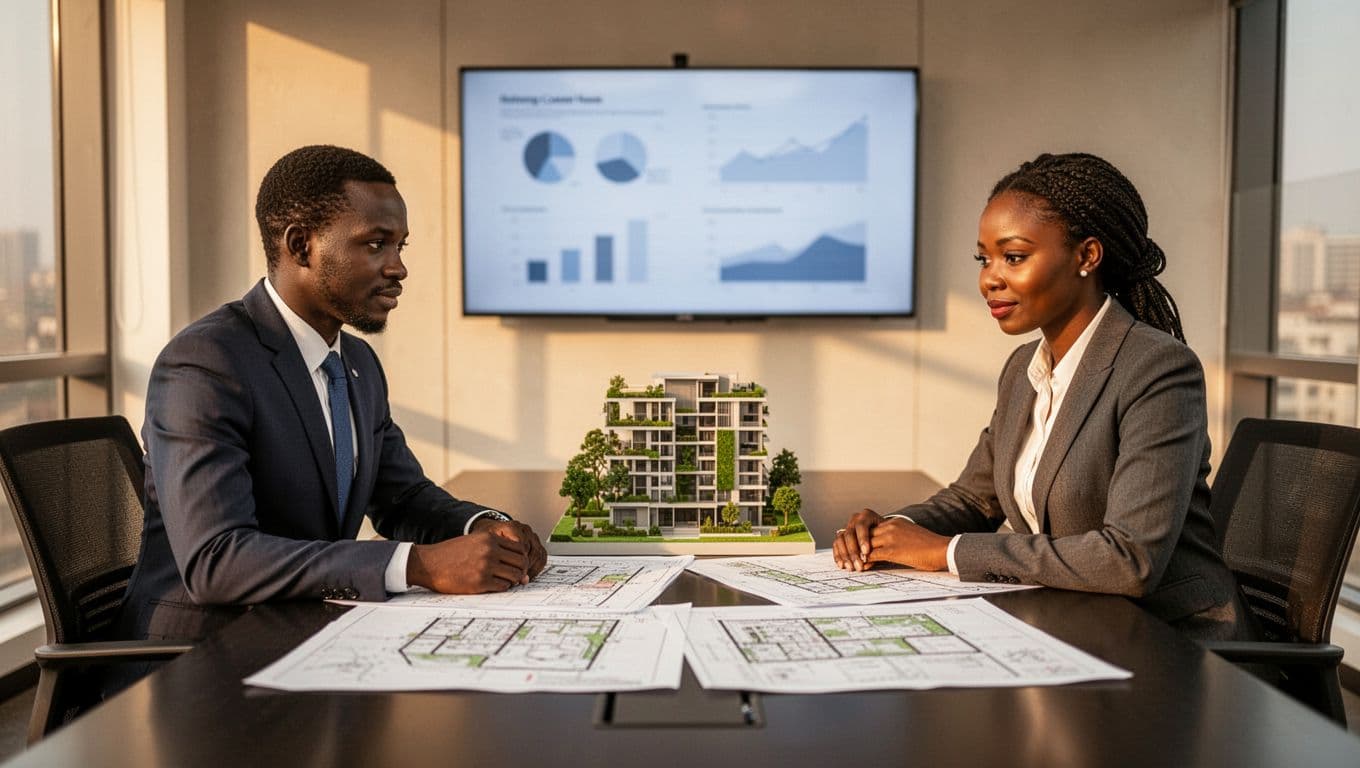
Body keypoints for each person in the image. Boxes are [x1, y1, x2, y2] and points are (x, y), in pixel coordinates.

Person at [117, 145, 547, 643]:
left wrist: (484, 524)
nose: (398, 267)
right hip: (201, 657)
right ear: (301, 245)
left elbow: (402, 497)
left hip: (304, 629)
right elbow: (218, 560)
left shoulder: (356, 363)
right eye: (375, 244)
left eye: (401, 246)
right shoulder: (205, 363)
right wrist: (416, 565)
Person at [832, 152, 1253, 641]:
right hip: (1071, 622)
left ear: (1086, 256)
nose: (989, 278)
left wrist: (944, 552)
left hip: (1169, 642)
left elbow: (1130, 560)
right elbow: (974, 496)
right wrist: (889, 529)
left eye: (1013, 257)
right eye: (983, 259)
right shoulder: (1023, 370)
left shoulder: (1157, 369)